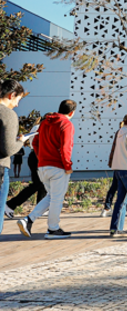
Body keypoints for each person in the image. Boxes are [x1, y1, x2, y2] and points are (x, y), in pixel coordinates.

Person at [18, 99, 78, 239]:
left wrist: (41, 158)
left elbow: (35, 142)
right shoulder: (66, 124)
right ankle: (53, 229)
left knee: (51, 197)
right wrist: (68, 166)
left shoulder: (44, 122)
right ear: (72, 112)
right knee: (57, 199)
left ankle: (28, 220)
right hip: (58, 167)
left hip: (43, 166)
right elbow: (66, 147)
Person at [0, 80, 26, 235]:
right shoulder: (8, 115)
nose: (17, 104)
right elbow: (8, 149)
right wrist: (21, 142)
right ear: (12, 95)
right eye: (18, 99)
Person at [101, 115, 127, 218]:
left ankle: (107, 207)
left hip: (117, 164)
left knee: (114, 187)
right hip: (125, 165)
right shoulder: (125, 133)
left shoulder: (119, 132)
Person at [6, 147, 46, 218]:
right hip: (37, 157)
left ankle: (41, 208)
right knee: (38, 184)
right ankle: (10, 204)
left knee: (42, 184)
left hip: (38, 156)